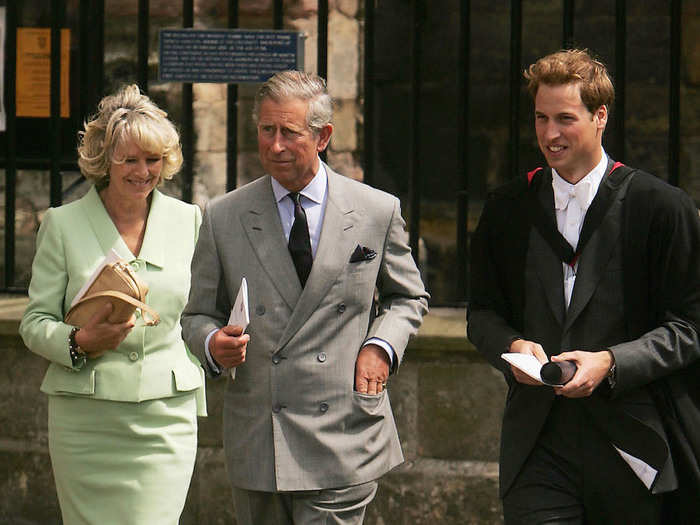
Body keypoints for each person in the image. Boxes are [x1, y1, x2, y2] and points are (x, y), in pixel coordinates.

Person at [181, 70, 428, 525]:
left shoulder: (376, 210)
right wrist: (213, 343)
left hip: (343, 434)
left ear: (323, 136)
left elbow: (407, 297)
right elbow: (196, 314)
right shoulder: (223, 216)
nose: (275, 146)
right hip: (260, 439)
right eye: (266, 130)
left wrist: (380, 347)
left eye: (289, 133)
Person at [467, 49, 700, 524]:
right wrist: (510, 346)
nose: (550, 134)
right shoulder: (508, 207)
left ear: (600, 117)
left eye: (565, 119)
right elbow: (482, 314)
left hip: (633, 441)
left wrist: (612, 362)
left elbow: (691, 326)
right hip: (537, 445)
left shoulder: (662, 208)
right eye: (541, 118)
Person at [19, 84, 206, 524]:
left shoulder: (190, 220)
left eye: (154, 159)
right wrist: (79, 339)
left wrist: (219, 341)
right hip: (86, 421)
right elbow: (33, 322)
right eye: (130, 160)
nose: (144, 171)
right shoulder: (62, 225)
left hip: (166, 416)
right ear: (104, 161)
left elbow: (202, 312)